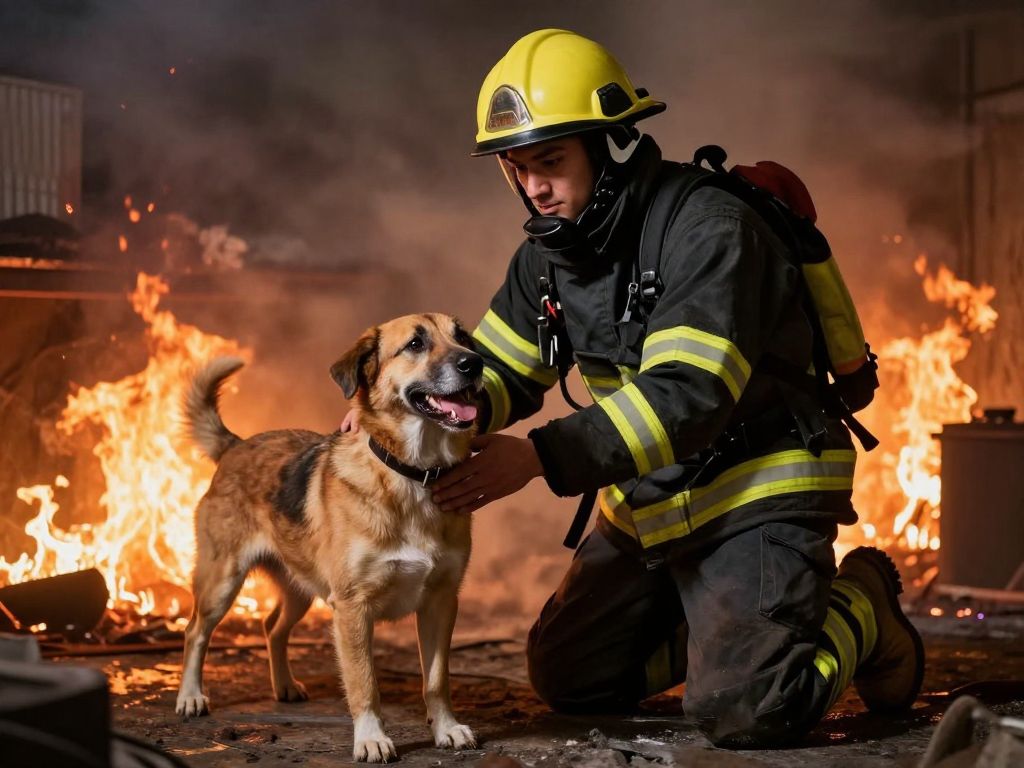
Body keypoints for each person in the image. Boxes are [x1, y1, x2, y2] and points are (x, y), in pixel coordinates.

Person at [345, 28, 924, 748]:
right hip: (655, 502)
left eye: (550, 162)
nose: (532, 187)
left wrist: (536, 457)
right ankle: (725, 627)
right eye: (517, 168)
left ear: (610, 145)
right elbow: (493, 372)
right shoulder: (549, 255)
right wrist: (405, 405)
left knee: (748, 710)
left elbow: (688, 394)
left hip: (757, 487)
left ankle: (858, 606)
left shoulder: (708, 228)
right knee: (568, 679)